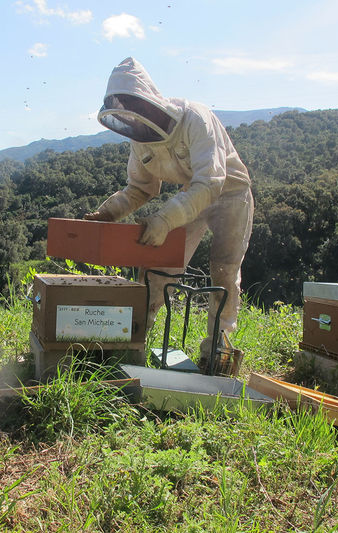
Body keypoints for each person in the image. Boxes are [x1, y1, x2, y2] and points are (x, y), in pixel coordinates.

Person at [85, 56, 254, 358]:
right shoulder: (141, 139)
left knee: (224, 270)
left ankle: (219, 348)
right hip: (191, 195)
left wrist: (164, 220)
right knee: (158, 264)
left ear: (147, 102)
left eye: (133, 109)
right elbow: (140, 188)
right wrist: (108, 212)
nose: (131, 120)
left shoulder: (196, 119)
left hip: (230, 192)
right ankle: (134, 338)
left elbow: (212, 182)